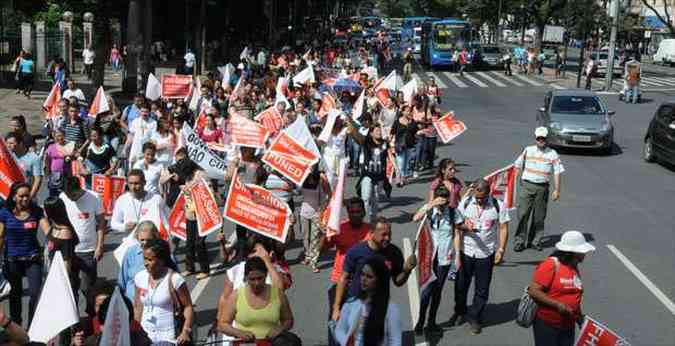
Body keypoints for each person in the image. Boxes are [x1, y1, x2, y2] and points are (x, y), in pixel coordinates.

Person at [449, 179, 510, 335]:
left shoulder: (498, 205)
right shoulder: (466, 202)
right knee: (461, 286)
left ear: (488, 193)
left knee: (482, 289)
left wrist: (501, 250)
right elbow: (456, 225)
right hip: (466, 251)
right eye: (477, 197)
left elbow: (503, 228)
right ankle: (460, 311)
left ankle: (475, 317)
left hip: (486, 254)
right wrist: (465, 227)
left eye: (482, 198)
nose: (480, 201)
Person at [332, 218, 416, 323]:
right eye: (383, 234)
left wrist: (407, 270)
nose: (388, 238)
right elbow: (343, 278)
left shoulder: (394, 252)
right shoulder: (356, 251)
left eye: (389, 234)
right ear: (372, 233)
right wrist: (336, 308)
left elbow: (398, 281)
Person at [528, 230, 595, 346]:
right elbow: (533, 291)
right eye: (582, 251)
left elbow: (574, 294)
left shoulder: (573, 267)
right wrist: (558, 305)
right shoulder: (550, 265)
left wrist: (579, 317)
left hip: (568, 326)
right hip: (547, 325)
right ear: (572, 252)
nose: (585, 254)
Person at [322, 198, 371, 346]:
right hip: (339, 281)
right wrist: (325, 235)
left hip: (362, 284)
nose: (355, 215)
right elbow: (323, 250)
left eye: (358, 211)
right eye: (351, 212)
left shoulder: (371, 231)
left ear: (364, 212)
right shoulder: (338, 228)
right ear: (347, 213)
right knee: (335, 319)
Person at [412, 185, 460, 335]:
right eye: (441, 203)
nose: (442, 206)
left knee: (437, 291)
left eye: (445, 203)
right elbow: (415, 218)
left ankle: (431, 322)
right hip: (429, 256)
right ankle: (420, 322)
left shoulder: (452, 212)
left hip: (444, 257)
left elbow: (458, 232)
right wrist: (431, 205)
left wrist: (457, 254)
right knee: (427, 290)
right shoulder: (430, 209)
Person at [0, 183, 49, 326]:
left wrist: (56, 238)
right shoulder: (4, 212)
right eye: (21, 196)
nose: (25, 198)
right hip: (12, 261)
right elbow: (1, 237)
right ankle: (17, 328)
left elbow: (47, 231)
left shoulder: (36, 211)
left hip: (32, 259)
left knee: (35, 294)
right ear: (14, 197)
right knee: (15, 296)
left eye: (27, 195)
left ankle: (32, 327)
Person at [219, 256, 296, 342]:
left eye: (260, 278)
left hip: (271, 342)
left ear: (266, 275)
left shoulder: (278, 294)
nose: (257, 283)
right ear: (246, 278)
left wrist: (280, 329)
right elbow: (223, 324)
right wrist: (239, 333)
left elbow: (288, 320)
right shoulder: (236, 295)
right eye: (252, 279)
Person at [513, 127, 564, 252]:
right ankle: (520, 241)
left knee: (539, 217)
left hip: (542, 188)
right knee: (523, 214)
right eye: (539, 138)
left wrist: (557, 190)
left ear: (547, 139)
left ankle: (535, 241)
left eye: (543, 138)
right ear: (535, 138)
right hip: (527, 186)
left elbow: (557, 172)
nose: (541, 140)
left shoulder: (552, 154)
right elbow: (517, 165)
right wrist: (515, 181)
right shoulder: (528, 150)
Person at [133, 239, 194, 345]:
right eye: (144, 259)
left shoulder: (175, 279)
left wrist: (185, 331)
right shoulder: (139, 277)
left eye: (150, 259)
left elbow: (188, 307)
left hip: (168, 338)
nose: (145, 263)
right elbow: (137, 306)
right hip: (144, 337)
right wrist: (135, 332)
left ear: (161, 260)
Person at [61, 176, 106, 312]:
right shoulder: (62, 197)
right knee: (70, 287)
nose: (70, 198)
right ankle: (73, 319)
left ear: (79, 189)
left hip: (89, 250)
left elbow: (101, 224)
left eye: (72, 195)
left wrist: (99, 246)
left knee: (87, 287)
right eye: (67, 194)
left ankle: (92, 313)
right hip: (69, 252)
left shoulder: (94, 198)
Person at [334, 257, 402, 346]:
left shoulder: (391, 309)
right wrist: (348, 342)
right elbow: (339, 330)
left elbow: (396, 340)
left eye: (369, 277)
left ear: (379, 280)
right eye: (362, 274)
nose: (363, 279)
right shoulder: (351, 303)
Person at [110, 169, 167, 234]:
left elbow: (164, 222)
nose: (133, 187)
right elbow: (113, 223)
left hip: (152, 241)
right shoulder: (122, 200)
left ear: (144, 182)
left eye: (136, 183)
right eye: (130, 183)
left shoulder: (156, 199)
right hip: (130, 241)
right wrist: (124, 227)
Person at [118, 221, 161, 300]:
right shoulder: (130, 253)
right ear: (137, 238)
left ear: (155, 237)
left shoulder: (164, 253)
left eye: (149, 240)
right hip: (132, 303)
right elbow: (122, 281)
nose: (145, 243)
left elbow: (174, 280)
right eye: (142, 240)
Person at [43, 196, 78, 276]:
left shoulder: (65, 234)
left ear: (51, 212)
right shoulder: (54, 226)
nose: (43, 210)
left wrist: (62, 283)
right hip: (52, 272)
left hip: (60, 277)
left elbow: (66, 262)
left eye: (45, 208)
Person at [5, 132, 42, 201]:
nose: (8, 145)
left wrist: (29, 197)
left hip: (26, 198)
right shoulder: (7, 157)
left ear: (20, 143)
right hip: (10, 198)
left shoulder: (34, 158)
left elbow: (38, 180)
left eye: (11, 143)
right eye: (7, 143)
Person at [44, 128, 72, 197]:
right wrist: (47, 173)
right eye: (57, 136)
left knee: (65, 194)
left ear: (64, 136)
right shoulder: (51, 147)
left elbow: (75, 158)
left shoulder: (69, 146)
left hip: (66, 174)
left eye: (61, 135)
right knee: (54, 194)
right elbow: (47, 160)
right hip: (54, 174)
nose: (59, 138)